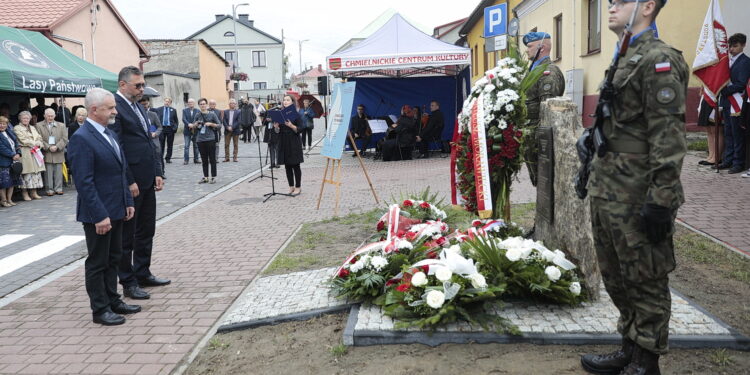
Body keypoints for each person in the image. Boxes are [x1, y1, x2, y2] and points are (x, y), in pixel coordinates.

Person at [580, 1, 686, 374]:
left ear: (647, 6)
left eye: (620, 1)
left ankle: (647, 360)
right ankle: (629, 346)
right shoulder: (625, 56)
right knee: (616, 274)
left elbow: (668, 139)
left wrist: (661, 199)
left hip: (638, 190)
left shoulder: (659, 60)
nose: (610, 6)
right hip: (609, 187)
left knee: (646, 276)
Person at [69, 88, 140, 325]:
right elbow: (84, 183)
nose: (115, 111)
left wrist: (127, 202)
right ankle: (100, 309)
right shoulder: (82, 138)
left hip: (117, 208)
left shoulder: (108, 133)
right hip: (98, 214)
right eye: (110, 108)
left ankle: (113, 300)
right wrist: (100, 215)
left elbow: (120, 171)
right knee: (98, 262)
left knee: (114, 257)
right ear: (94, 110)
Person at [111, 66, 170, 301]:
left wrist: (158, 171)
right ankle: (128, 281)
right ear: (123, 84)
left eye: (143, 85)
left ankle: (143, 272)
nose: (142, 89)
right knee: (128, 235)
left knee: (146, 229)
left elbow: (149, 142)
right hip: (132, 181)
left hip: (148, 178)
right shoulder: (116, 106)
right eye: (138, 85)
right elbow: (119, 148)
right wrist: (129, 181)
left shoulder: (138, 106)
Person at [522, 31, 566, 186]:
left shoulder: (548, 72)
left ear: (542, 47)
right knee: (538, 180)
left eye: (530, 46)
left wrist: (541, 138)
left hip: (539, 137)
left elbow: (548, 109)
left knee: (545, 181)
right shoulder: (533, 71)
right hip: (530, 134)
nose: (527, 50)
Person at [717, 33, 749, 174]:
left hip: (737, 101)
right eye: (730, 46)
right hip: (727, 101)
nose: (731, 49)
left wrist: (724, 91)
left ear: (743, 45)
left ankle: (738, 162)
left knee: (737, 134)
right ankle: (727, 160)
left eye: (735, 46)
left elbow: (741, 84)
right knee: (728, 132)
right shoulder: (727, 61)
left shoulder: (745, 61)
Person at [273, 95, 303, 195]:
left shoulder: (296, 114)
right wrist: (276, 127)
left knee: (295, 165)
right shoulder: (281, 114)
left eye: (287, 100)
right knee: (287, 166)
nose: (285, 102)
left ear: (292, 102)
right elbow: (277, 131)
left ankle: (298, 187)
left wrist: (291, 126)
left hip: (294, 141)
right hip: (283, 141)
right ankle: (291, 186)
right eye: (284, 100)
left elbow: (300, 129)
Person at [35, 108, 68, 196]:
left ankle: (59, 188)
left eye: (52, 116)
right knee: (48, 172)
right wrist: (48, 147)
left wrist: (57, 146)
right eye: (48, 116)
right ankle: (49, 189)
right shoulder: (38, 125)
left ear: (55, 116)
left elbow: (64, 139)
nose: (50, 117)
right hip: (47, 152)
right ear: (44, 116)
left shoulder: (61, 125)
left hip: (58, 151)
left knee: (58, 171)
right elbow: (39, 138)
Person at [13, 111, 45, 201]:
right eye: (24, 118)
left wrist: (39, 143)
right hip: (25, 152)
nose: (26, 120)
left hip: (35, 153)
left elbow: (39, 137)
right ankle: (25, 193)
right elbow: (23, 140)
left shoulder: (32, 127)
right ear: (20, 119)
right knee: (26, 173)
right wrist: (35, 143)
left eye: (27, 118)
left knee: (35, 173)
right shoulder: (17, 128)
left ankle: (34, 192)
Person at [190, 98, 221, 183]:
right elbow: (193, 126)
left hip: (210, 139)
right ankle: (206, 176)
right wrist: (195, 124)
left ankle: (213, 177)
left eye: (204, 104)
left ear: (207, 105)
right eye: (201, 104)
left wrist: (211, 124)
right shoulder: (197, 115)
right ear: (199, 106)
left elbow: (219, 125)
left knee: (212, 159)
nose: (203, 105)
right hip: (200, 139)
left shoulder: (212, 114)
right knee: (204, 159)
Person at [139, 97, 164, 178]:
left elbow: (160, 127)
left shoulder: (153, 114)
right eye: (142, 105)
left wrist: (155, 134)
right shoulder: (137, 115)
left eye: (146, 104)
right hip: (143, 140)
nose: (145, 106)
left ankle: (160, 174)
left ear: (148, 103)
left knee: (157, 158)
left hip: (154, 139)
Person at [0, 116, 21, 207]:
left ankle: (9, 199)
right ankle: (3, 200)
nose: (2, 125)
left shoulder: (9, 132)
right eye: (0, 123)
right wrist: (13, 155)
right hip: (3, 161)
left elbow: (16, 143)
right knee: (4, 183)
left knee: (12, 181)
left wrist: (18, 153)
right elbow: (1, 148)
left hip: (13, 161)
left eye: (4, 123)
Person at [155, 97, 178, 164]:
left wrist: (175, 128)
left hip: (170, 129)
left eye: (168, 102)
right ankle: (160, 157)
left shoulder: (173, 110)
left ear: (170, 103)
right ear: (164, 102)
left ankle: (168, 158)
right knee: (161, 144)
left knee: (170, 144)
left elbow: (176, 120)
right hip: (161, 129)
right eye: (166, 101)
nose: (166, 103)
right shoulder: (158, 109)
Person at [182, 98, 201, 165]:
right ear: (188, 103)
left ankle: (196, 159)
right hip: (187, 131)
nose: (190, 104)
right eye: (189, 102)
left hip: (195, 131)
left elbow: (199, 119)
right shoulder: (184, 110)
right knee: (186, 146)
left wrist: (194, 125)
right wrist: (188, 124)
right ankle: (186, 160)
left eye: (192, 102)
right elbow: (184, 119)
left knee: (196, 146)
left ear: (194, 103)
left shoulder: (198, 110)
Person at [264, 100, 280, 168]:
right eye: (270, 104)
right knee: (271, 148)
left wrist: (272, 119)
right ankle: (272, 163)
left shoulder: (278, 111)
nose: (271, 106)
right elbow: (264, 122)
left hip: (275, 132)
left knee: (276, 148)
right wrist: (266, 120)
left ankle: (277, 163)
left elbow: (279, 120)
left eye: (272, 104)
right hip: (269, 132)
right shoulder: (267, 111)